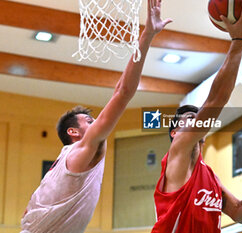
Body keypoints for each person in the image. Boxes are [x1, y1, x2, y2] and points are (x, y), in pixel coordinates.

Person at [21, 1, 172, 232]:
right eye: (89, 121)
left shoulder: (60, 163)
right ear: (73, 132)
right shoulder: (82, 150)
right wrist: (148, 35)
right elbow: (123, 94)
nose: (98, 123)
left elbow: (27, 212)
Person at [151, 1, 242, 232]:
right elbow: (216, 100)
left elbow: (240, 212)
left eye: (196, 116)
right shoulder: (177, 152)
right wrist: (238, 41)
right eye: (189, 118)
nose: (196, 119)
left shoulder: (209, 177)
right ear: (175, 133)